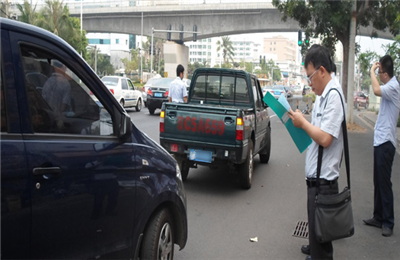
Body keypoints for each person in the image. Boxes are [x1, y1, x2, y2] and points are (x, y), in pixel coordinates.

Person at [288, 44, 345, 260]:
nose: (310, 84)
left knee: (322, 247)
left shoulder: (334, 95)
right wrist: (301, 123)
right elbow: (318, 131)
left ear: (322, 71)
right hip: (316, 179)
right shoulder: (324, 94)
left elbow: (325, 139)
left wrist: (303, 124)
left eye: (310, 77)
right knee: (317, 237)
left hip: (324, 183)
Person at [363, 55, 400, 237]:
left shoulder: (393, 86)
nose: (378, 75)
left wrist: (371, 71)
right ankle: (378, 217)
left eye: (379, 72)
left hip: (386, 142)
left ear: (385, 74)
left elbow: (376, 90)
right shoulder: (389, 85)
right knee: (378, 181)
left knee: (384, 183)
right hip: (380, 141)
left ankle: (388, 222)